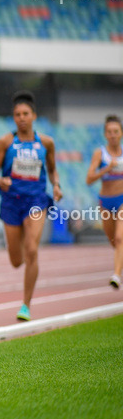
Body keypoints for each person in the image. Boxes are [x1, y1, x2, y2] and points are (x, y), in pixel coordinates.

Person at [0, 90, 61, 321]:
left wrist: (56, 185)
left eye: (25, 114)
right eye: (17, 114)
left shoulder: (46, 142)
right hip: (11, 201)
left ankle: (26, 305)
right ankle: (19, 255)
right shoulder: (5, 142)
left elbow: (51, 169)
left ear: (34, 116)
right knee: (16, 260)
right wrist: (1, 180)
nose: (21, 118)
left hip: (36, 200)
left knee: (31, 249)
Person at [85, 115, 123, 289]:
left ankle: (116, 275)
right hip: (106, 201)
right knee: (113, 242)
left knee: (119, 238)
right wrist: (106, 169)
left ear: (121, 133)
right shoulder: (100, 154)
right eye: (110, 132)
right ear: (105, 134)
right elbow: (89, 179)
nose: (113, 135)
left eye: (116, 131)